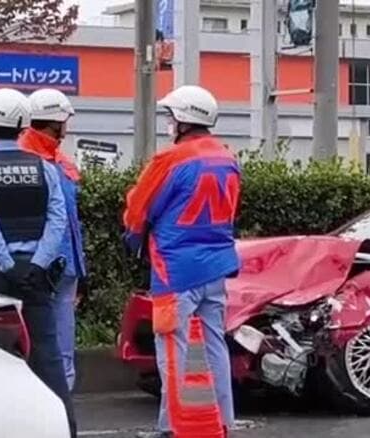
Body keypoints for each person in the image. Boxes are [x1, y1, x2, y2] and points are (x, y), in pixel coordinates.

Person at [123, 85, 240, 438]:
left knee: (173, 352)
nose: (168, 123)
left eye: (171, 117)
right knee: (215, 347)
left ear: (184, 121)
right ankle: (221, 422)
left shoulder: (170, 161)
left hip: (174, 270)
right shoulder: (227, 158)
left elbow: (137, 210)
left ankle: (175, 427)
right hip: (216, 266)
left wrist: (133, 237)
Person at [0, 88, 77, 438]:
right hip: (38, 276)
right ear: (21, 124)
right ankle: (66, 428)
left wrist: (8, 265)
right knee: (48, 356)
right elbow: (58, 221)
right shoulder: (45, 167)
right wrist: (37, 265)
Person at [20, 88, 86, 392]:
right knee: (52, 350)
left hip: (58, 268)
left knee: (58, 349)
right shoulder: (41, 162)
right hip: (47, 267)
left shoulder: (54, 159)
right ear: (57, 122)